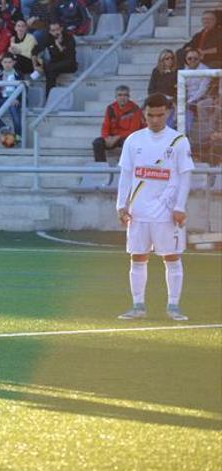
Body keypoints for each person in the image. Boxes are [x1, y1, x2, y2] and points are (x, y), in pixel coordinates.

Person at [115, 93, 194, 321]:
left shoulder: (178, 141)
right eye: (151, 115)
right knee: (137, 257)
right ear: (144, 114)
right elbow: (126, 174)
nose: (155, 120)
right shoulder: (133, 140)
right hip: (138, 212)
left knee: (172, 257)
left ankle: (173, 306)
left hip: (167, 212)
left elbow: (185, 175)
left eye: (160, 115)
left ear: (167, 113)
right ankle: (138, 306)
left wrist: (180, 206)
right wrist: (121, 204)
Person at [92, 85, 144, 162]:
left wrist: (117, 137)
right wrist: (106, 137)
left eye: (125, 95)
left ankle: (124, 165)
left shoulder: (135, 109)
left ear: (129, 97)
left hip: (127, 137)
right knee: (97, 143)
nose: (122, 97)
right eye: (120, 95)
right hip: (113, 137)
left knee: (128, 143)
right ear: (116, 97)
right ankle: (101, 167)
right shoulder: (110, 108)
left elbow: (133, 130)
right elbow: (105, 125)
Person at [33, 21, 77, 97]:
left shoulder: (69, 38)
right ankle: (50, 97)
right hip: (55, 64)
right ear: (50, 32)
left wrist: (58, 45)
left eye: (57, 29)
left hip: (69, 63)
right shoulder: (48, 38)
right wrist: (36, 65)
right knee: (50, 71)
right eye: (53, 30)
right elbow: (35, 50)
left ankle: (49, 97)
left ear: (61, 29)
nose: (56, 32)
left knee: (49, 68)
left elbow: (69, 54)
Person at [0, 53, 23, 139]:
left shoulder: (19, 74)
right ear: (1, 63)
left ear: (13, 63)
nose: (7, 64)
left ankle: (18, 137)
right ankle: (3, 127)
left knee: (15, 114)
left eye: (9, 62)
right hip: (3, 99)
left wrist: (17, 98)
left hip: (14, 99)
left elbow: (24, 89)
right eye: (5, 62)